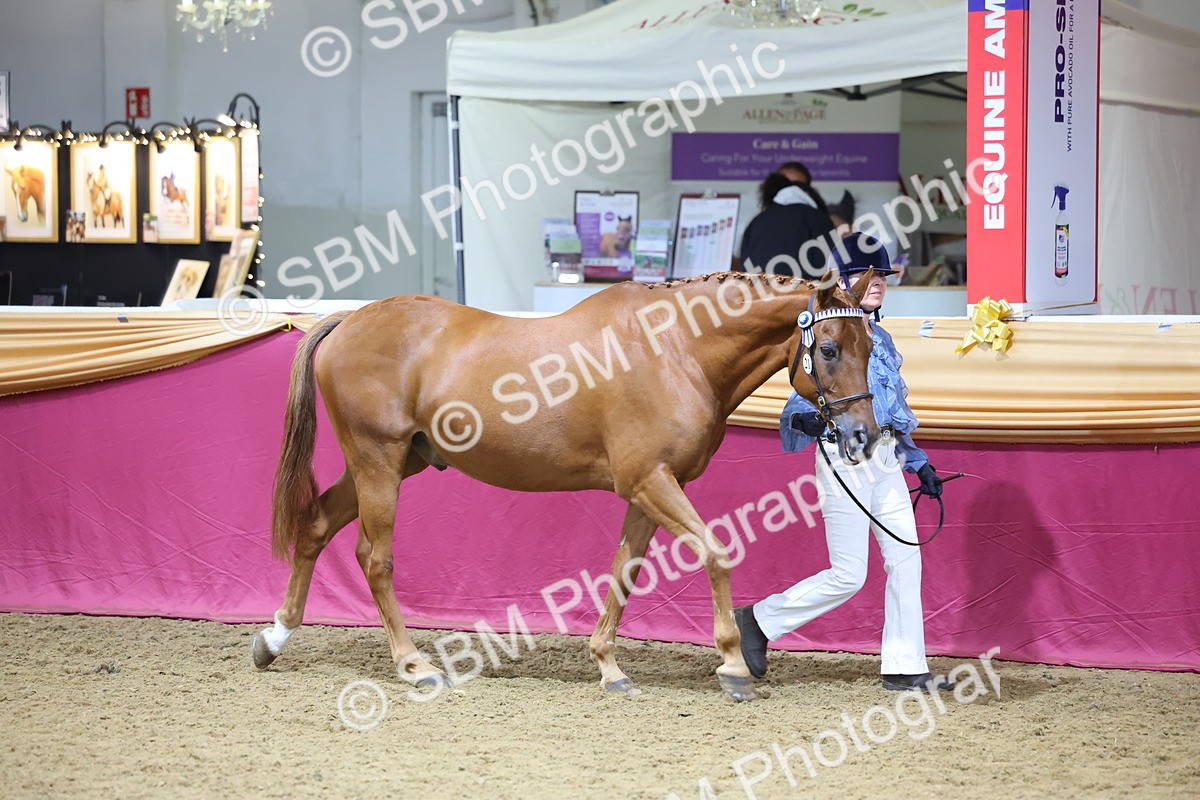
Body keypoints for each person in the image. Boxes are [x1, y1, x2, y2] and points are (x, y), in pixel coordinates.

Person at [734, 232, 953, 692]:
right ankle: (756, 621)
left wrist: (919, 463)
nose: (878, 283)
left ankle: (904, 665)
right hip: (846, 459)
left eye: (882, 276)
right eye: (867, 275)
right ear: (843, 281)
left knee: (906, 561)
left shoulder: (882, 337)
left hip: (887, 458)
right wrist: (811, 421)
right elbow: (805, 397)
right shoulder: (826, 332)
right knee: (849, 575)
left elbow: (889, 408)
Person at [738, 169, 835, 278]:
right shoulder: (818, 218)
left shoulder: (756, 222)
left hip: (760, 292)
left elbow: (744, 269)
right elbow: (830, 271)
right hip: (802, 293)